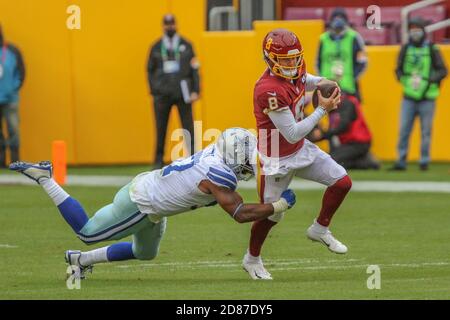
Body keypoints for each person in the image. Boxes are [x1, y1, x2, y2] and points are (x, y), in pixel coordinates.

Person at [9, 128, 296, 279]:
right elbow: (240, 213)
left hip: (152, 200)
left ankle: (79, 261)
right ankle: (46, 178)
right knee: (87, 233)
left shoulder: (216, 153)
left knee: (145, 253)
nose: (248, 168)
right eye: (245, 162)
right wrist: (280, 204)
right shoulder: (219, 174)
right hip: (141, 205)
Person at [242, 28, 352, 280]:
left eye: (295, 59)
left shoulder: (296, 70)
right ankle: (252, 258)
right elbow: (291, 132)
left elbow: (306, 79)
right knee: (272, 214)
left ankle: (320, 228)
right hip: (276, 159)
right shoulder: (267, 89)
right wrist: (322, 109)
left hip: (300, 149)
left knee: (342, 181)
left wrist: (324, 82)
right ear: (270, 59)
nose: (292, 65)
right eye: (286, 61)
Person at [390, 17, 448, 171]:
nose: (414, 32)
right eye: (412, 29)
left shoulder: (432, 49)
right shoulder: (405, 48)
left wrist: (430, 81)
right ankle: (401, 161)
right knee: (404, 130)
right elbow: (398, 68)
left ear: (423, 31)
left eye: (418, 29)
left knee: (426, 131)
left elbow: (443, 70)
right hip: (409, 96)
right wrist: (403, 79)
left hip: (427, 97)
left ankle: (424, 161)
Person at [147, 14, 200, 169]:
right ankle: (158, 161)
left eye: (172, 24)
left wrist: (195, 90)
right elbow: (149, 70)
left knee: (188, 127)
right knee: (160, 127)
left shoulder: (186, 44)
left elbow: (194, 69)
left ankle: (193, 160)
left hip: (183, 92)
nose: (169, 27)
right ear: (163, 26)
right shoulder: (156, 47)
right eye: (167, 24)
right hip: (162, 94)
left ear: (176, 25)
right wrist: (154, 91)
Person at [310, 93, 380, 170]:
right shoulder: (335, 107)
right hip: (347, 142)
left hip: (358, 143)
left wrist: (322, 135)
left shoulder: (347, 103)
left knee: (332, 161)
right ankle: (362, 158)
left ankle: (366, 162)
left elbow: (342, 126)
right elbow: (334, 129)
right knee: (332, 159)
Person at [317, 7, 367, 101]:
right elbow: (318, 62)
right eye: (335, 18)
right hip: (328, 90)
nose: (338, 21)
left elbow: (362, 62)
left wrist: (353, 77)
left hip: (348, 89)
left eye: (341, 18)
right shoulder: (323, 39)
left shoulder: (354, 37)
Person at [0, 25, 25, 167]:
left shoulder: (11, 50)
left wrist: (13, 88)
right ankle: (1, 162)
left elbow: (21, 71)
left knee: (13, 130)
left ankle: (16, 162)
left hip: (10, 100)